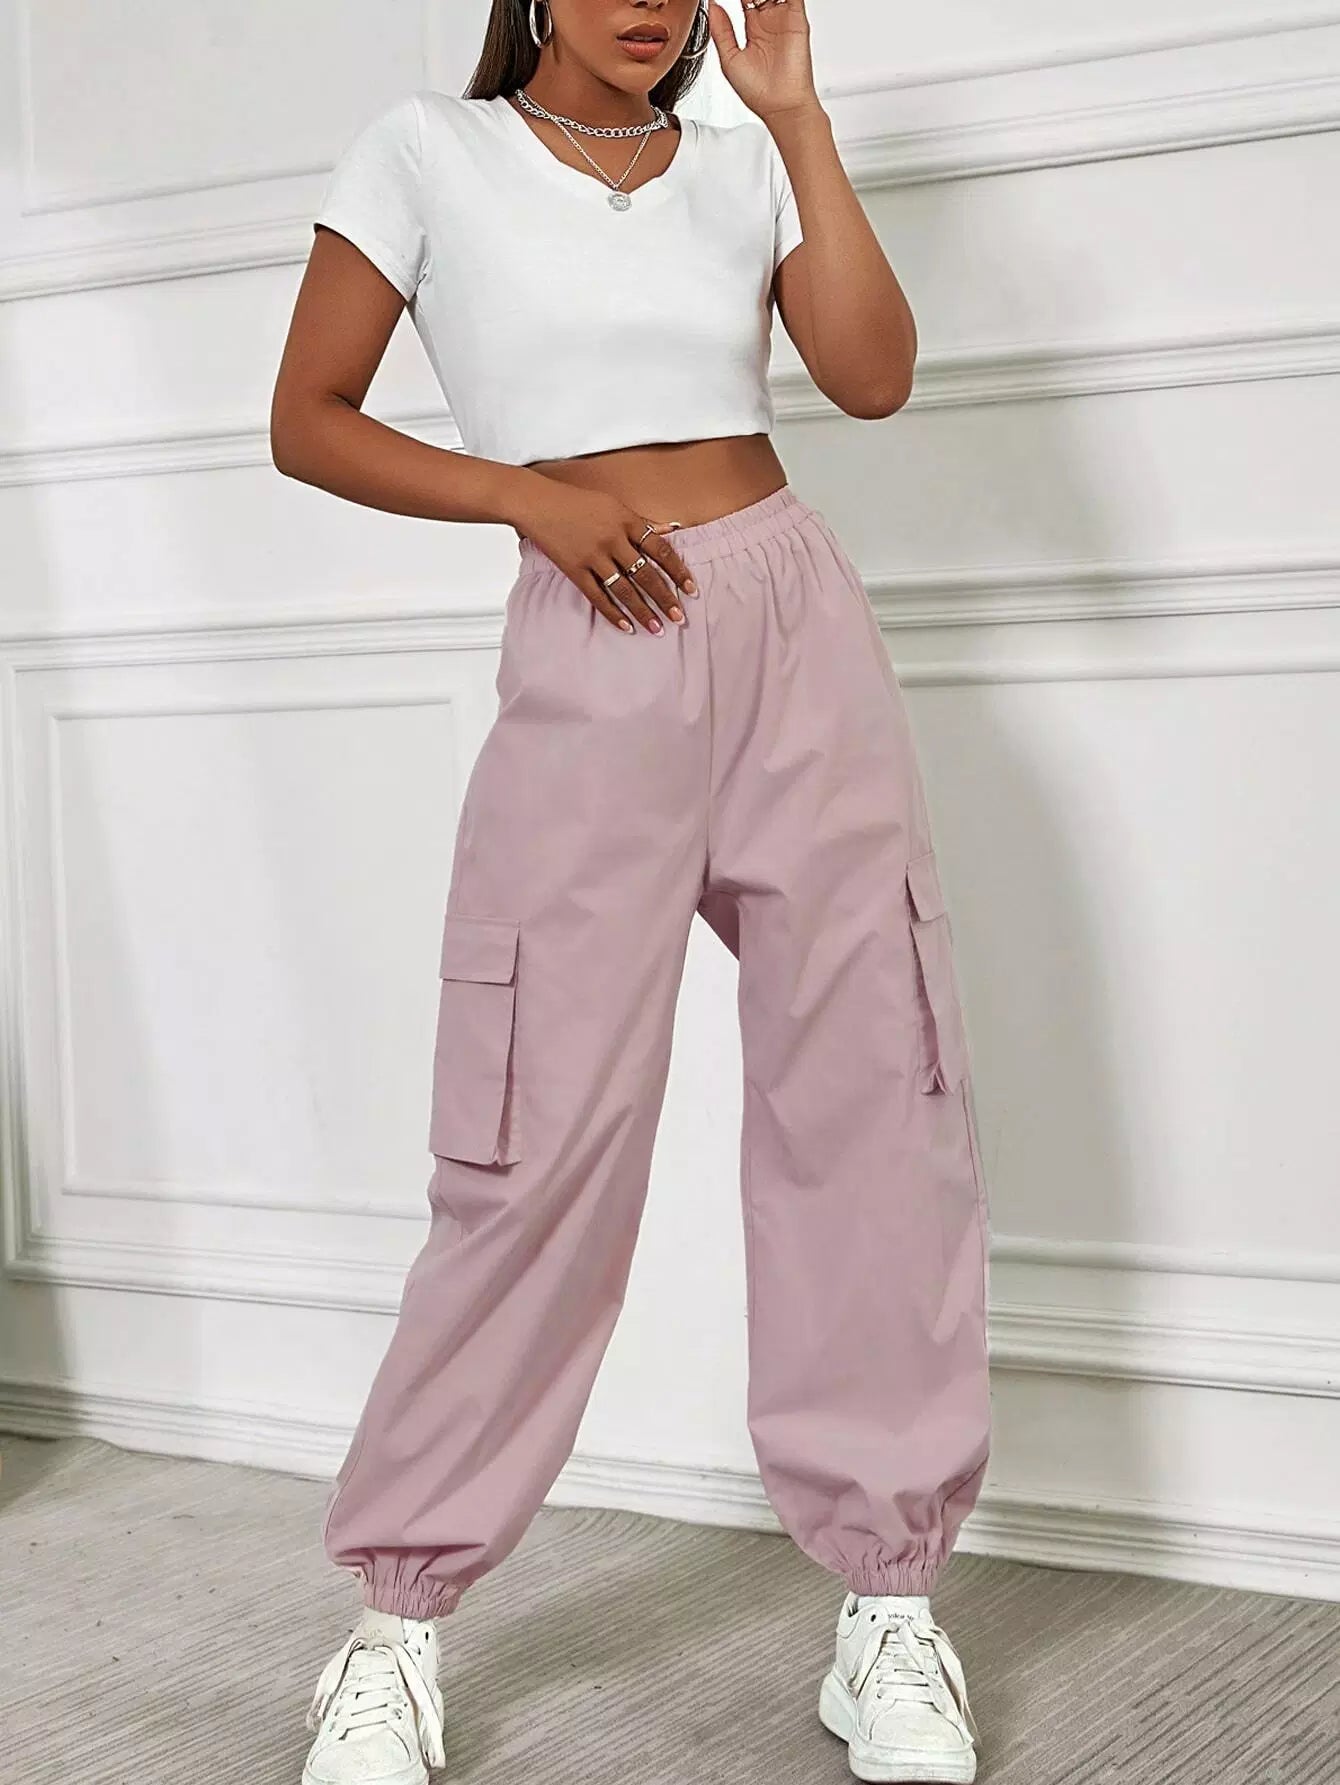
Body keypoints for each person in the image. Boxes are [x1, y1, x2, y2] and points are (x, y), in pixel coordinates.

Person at [270, 1, 992, 1780]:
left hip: (795, 621)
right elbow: (307, 420)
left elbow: (874, 376)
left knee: (872, 1103)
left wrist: (800, 119)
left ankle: (889, 1603)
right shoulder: (424, 153)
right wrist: (526, 500)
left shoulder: (745, 166)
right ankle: (397, 1624)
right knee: (536, 1134)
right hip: (598, 628)